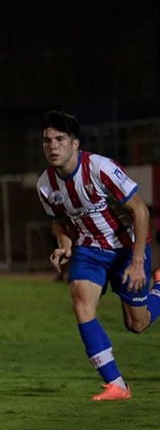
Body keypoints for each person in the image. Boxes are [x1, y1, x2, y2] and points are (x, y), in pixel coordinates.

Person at [36, 108, 160, 401]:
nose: (53, 146)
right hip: (89, 250)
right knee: (81, 301)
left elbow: (141, 211)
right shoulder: (45, 185)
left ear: (75, 143)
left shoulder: (100, 168)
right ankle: (117, 384)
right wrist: (64, 244)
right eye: (47, 141)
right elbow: (59, 221)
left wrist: (138, 262)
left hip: (127, 249)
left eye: (59, 139)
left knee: (137, 324)